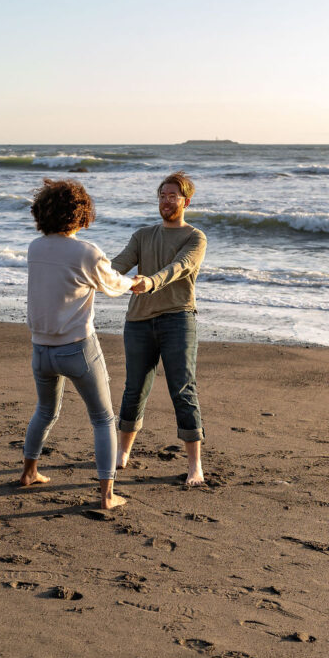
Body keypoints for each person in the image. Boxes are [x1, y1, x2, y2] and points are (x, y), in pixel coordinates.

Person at [20, 178, 144, 510]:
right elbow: (112, 283)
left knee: (45, 411)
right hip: (77, 348)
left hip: (41, 349)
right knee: (103, 418)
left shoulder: (35, 247)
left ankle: (29, 471)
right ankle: (107, 495)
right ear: (80, 213)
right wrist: (136, 283)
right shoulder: (85, 251)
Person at [111, 171, 207, 487]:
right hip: (138, 321)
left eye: (173, 196)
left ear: (186, 201)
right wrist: (88, 273)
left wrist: (151, 281)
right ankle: (122, 454)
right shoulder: (142, 235)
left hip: (178, 319)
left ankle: (195, 465)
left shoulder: (195, 237)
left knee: (182, 387)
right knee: (134, 387)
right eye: (162, 196)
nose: (166, 201)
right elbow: (118, 265)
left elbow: (179, 268)